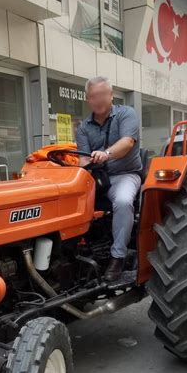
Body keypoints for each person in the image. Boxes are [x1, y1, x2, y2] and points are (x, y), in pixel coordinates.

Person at [76, 76, 142, 282]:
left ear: (111, 95)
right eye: (94, 96)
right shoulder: (83, 128)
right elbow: (83, 159)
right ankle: (78, 250)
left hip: (125, 174)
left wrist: (106, 154)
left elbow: (127, 143)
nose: (99, 100)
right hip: (97, 177)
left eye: (103, 94)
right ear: (88, 99)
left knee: (122, 202)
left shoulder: (126, 114)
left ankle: (118, 256)